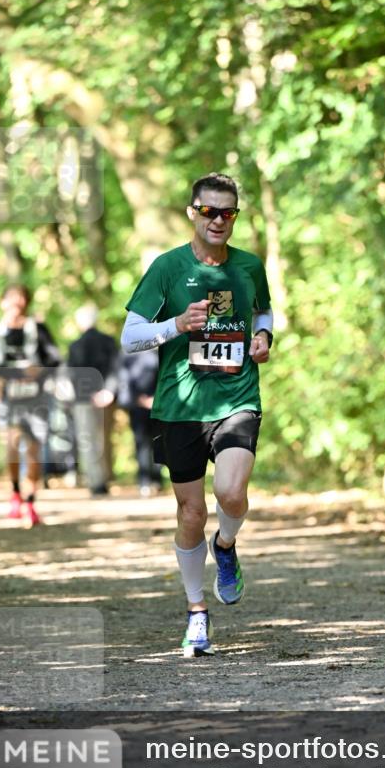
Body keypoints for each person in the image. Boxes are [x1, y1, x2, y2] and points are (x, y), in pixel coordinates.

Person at [121, 172, 273, 658]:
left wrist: (264, 337)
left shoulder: (249, 266)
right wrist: (175, 325)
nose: (218, 220)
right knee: (191, 512)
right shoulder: (167, 267)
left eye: (227, 212)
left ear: (235, 217)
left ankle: (225, 546)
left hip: (237, 398)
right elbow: (130, 337)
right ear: (193, 212)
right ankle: (196, 611)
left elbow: (263, 312)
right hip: (179, 407)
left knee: (231, 492)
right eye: (209, 211)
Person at [0, 283, 60, 526]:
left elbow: (55, 359)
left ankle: (30, 501)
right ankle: (16, 492)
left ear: (26, 302)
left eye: (21, 298)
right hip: (9, 398)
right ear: (2, 302)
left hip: (35, 397)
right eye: (12, 298)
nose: (16, 303)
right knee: (13, 445)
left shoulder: (37, 328)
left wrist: (39, 371)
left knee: (34, 449)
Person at [68, 304, 119, 496]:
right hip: (106, 397)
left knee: (88, 439)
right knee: (104, 438)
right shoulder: (108, 341)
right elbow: (116, 369)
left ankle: (97, 481)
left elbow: (72, 375)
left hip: (84, 399)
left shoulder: (75, 346)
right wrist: (108, 391)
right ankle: (104, 478)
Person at [117, 347, 164, 496]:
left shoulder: (160, 352)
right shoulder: (127, 353)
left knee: (159, 442)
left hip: (159, 405)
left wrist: (157, 399)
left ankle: (157, 480)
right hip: (137, 407)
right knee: (141, 444)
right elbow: (123, 379)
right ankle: (144, 481)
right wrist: (138, 399)